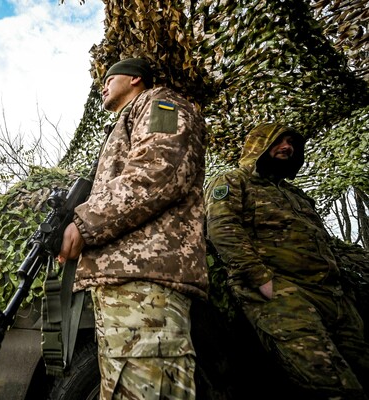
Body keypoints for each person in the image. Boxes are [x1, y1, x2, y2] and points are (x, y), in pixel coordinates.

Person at [57, 58, 208, 400]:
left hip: (146, 281)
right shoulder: (127, 121)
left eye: (109, 77)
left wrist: (84, 222)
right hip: (125, 282)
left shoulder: (161, 103)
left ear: (136, 78)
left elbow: (160, 171)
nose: (102, 86)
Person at [205, 123, 369, 399]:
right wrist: (261, 279)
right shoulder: (234, 181)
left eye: (291, 142)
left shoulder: (296, 195)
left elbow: (324, 241)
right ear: (258, 145)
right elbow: (223, 228)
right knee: (330, 382)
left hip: (334, 296)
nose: (287, 147)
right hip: (282, 293)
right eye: (277, 141)